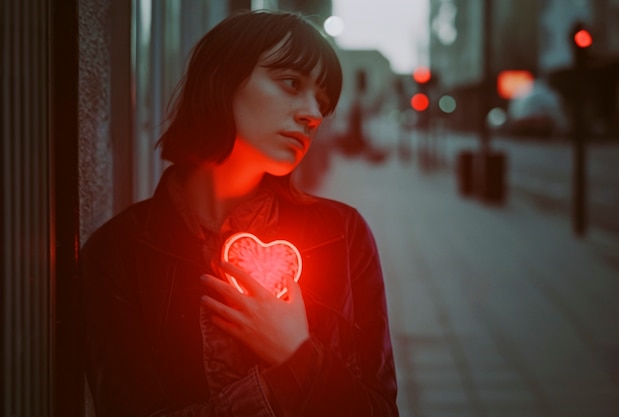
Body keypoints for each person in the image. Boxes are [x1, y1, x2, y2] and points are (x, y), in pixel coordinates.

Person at [80, 10, 398, 417]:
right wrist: (283, 378)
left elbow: (379, 409)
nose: (313, 115)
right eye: (290, 83)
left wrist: (298, 354)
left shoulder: (342, 233)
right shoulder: (118, 251)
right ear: (222, 78)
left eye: (321, 100)